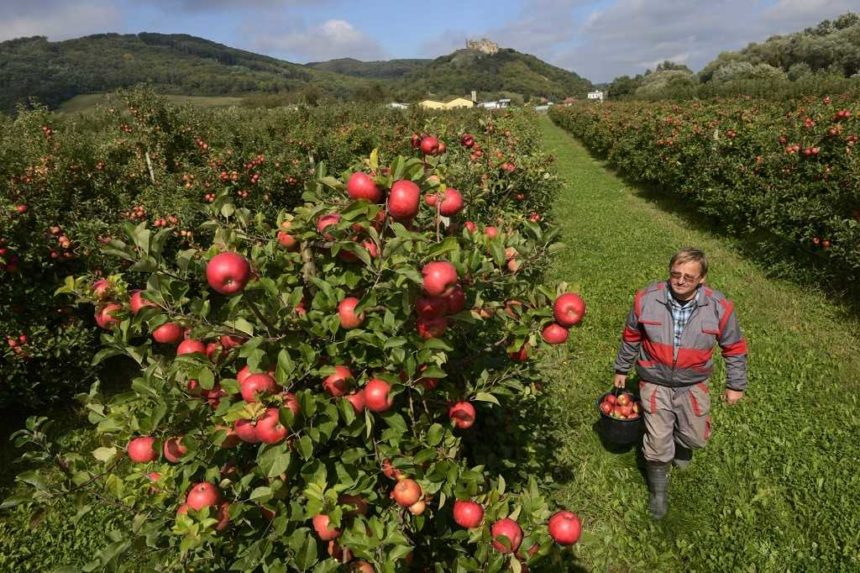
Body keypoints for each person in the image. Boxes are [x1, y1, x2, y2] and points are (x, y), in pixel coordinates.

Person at [612, 248, 748, 519]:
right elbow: (631, 336)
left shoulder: (719, 307)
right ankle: (659, 490)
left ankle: (682, 443)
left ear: (702, 279)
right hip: (655, 381)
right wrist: (622, 368)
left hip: (693, 383)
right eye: (676, 274)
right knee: (658, 443)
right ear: (669, 273)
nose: (681, 280)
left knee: (694, 437)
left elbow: (734, 347)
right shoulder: (646, 300)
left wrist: (735, 385)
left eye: (689, 276)